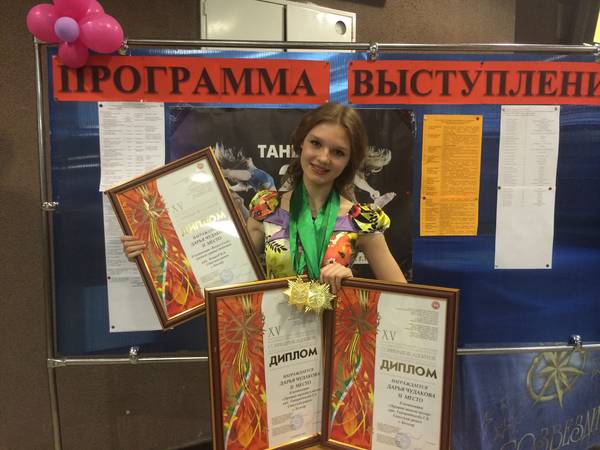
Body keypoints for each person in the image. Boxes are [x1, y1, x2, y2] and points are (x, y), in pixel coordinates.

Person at [122, 103, 406, 292]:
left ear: (349, 161)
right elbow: (222, 273)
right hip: (277, 346)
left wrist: (354, 286)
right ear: (301, 143)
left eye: (338, 152)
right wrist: (153, 253)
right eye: (316, 144)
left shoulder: (362, 220)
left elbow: (402, 297)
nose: (323, 158)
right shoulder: (265, 208)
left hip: (336, 346)